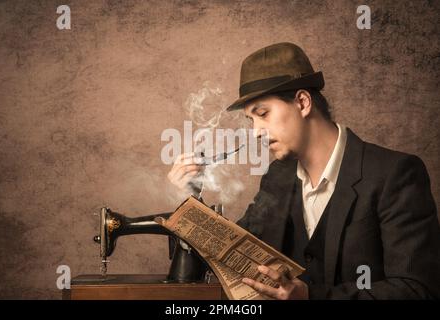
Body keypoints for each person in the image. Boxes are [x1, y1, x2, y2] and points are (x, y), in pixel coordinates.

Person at [167, 42, 440, 299]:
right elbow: (229, 256)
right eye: (251, 120)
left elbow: (417, 289)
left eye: (263, 115)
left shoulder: (396, 173)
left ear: (302, 102)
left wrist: (311, 297)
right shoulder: (277, 178)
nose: (256, 133)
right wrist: (189, 202)